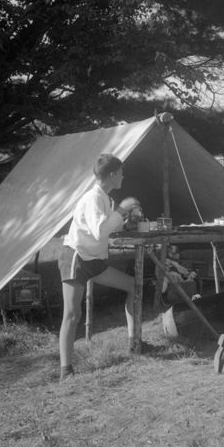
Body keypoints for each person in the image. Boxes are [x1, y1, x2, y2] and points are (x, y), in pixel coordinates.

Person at [58, 154, 142, 381]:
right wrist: (122, 209)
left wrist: (125, 222)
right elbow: (100, 232)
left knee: (133, 286)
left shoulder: (104, 197)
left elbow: (104, 228)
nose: (123, 176)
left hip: (94, 260)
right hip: (76, 257)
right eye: (121, 172)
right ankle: (66, 371)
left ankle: (134, 343)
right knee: (72, 314)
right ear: (113, 174)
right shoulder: (94, 197)